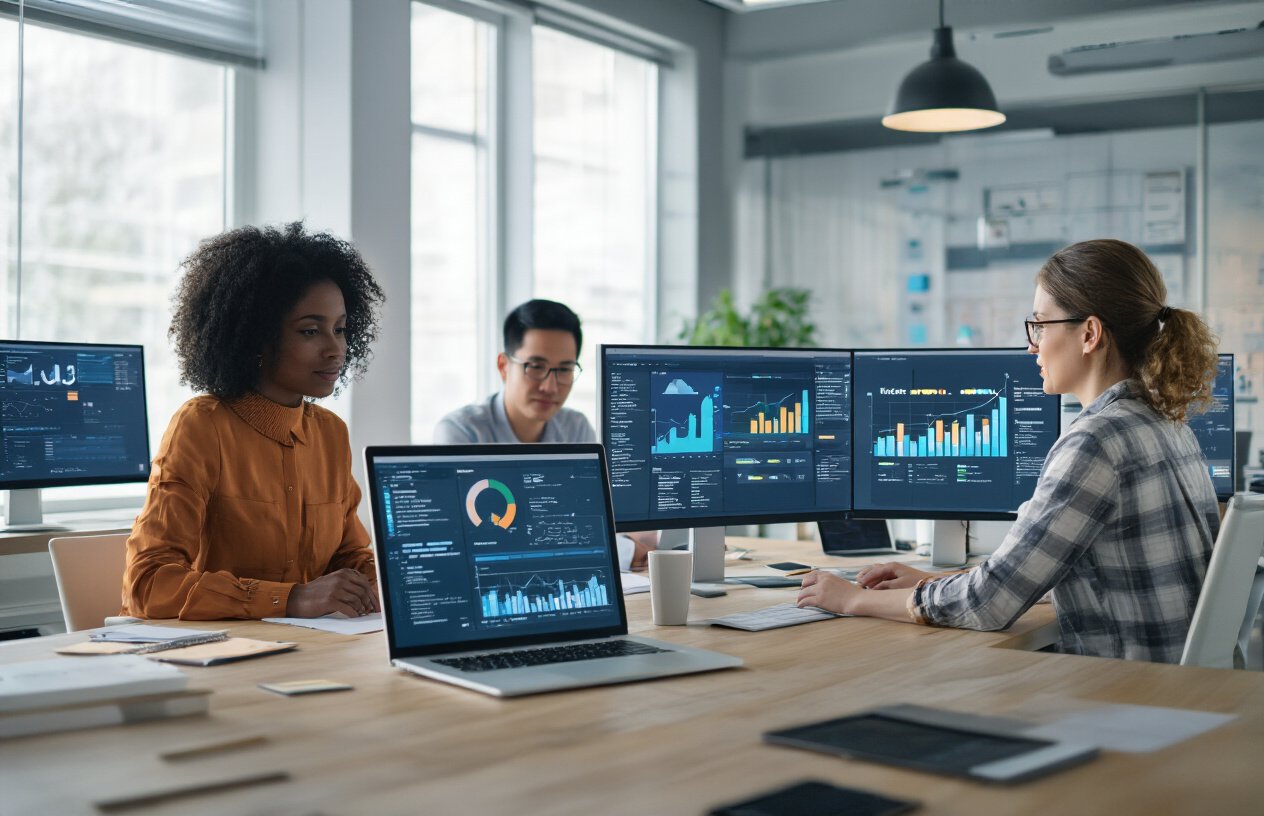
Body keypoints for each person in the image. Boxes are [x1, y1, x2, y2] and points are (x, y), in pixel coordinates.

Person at [798, 239, 1221, 663]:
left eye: (1040, 325)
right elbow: (1067, 572)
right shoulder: (1165, 422)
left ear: (1089, 334)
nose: (1032, 346)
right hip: (1188, 691)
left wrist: (853, 600)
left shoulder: (1096, 441)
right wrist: (934, 583)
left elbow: (990, 605)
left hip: (1129, 693)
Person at [122, 223, 386, 620]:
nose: (336, 349)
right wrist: (291, 598)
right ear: (256, 337)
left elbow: (348, 557)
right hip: (218, 657)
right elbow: (148, 585)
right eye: (310, 331)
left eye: (341, 329)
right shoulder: (200, 427)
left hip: (309, 652)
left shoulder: (331, 433)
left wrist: (389, 587)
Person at [434, 298, 657, 570]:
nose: (550, 386)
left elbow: (590, 520)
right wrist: (622, 549)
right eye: (536, 367)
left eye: (564, 369)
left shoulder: (576, 429)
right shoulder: (461, 432)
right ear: (504, 366)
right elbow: (478, 537)